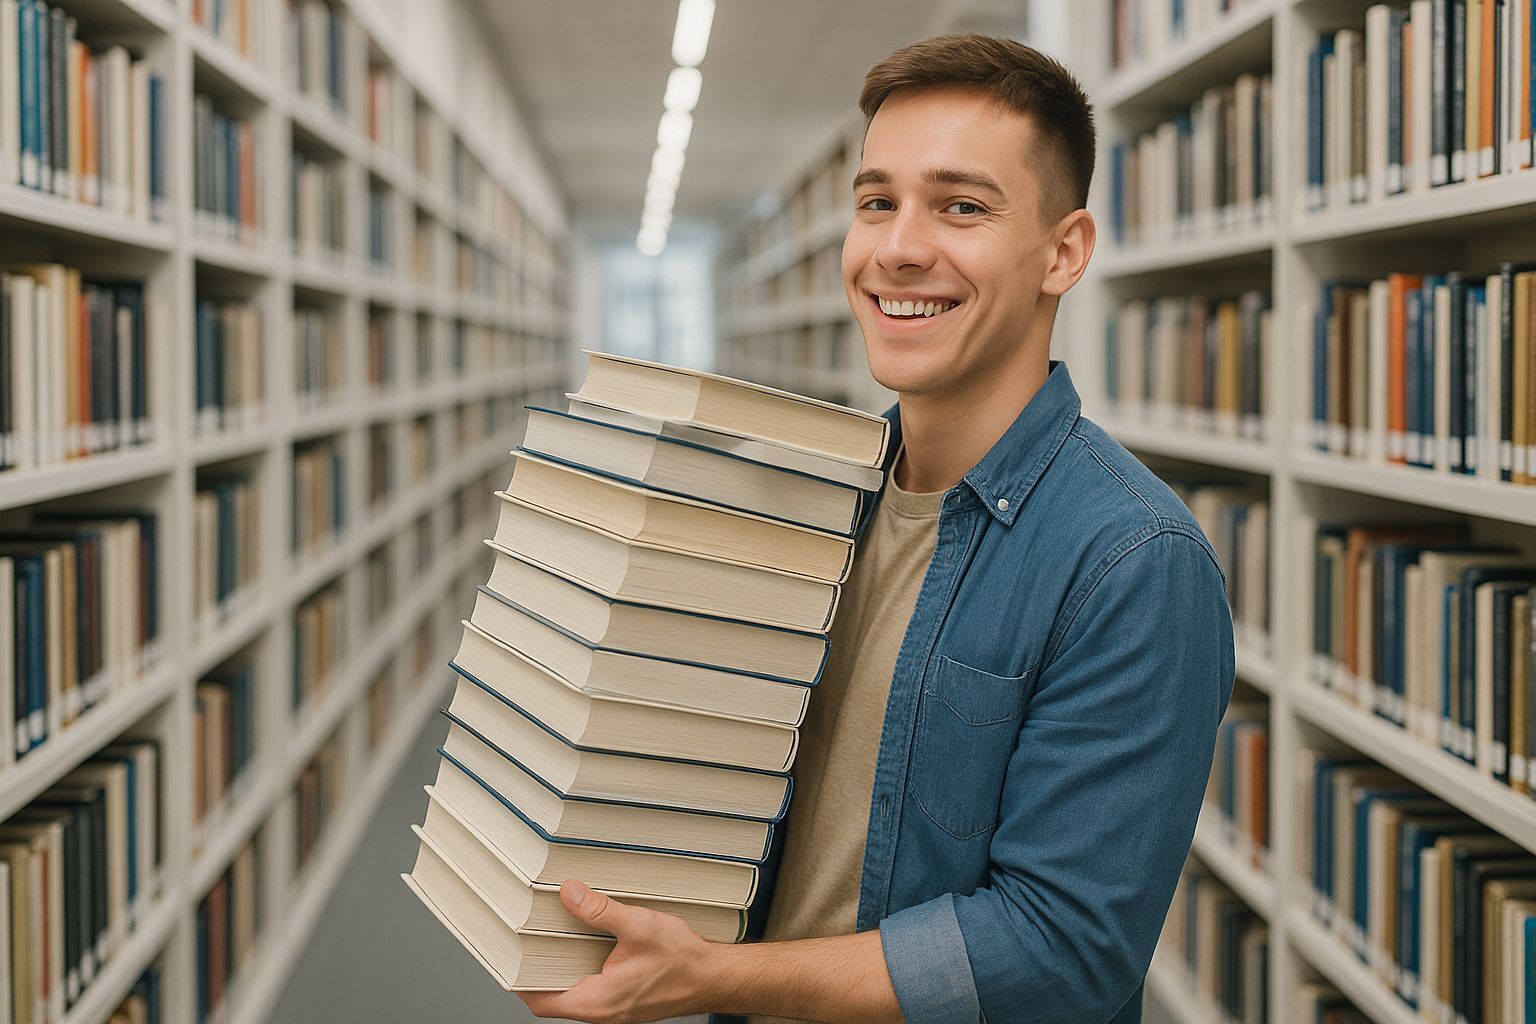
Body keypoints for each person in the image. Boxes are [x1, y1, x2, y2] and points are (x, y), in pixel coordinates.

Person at [520, 33, 1235, 1024]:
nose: (898, 247)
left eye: (961, 206)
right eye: (876, 201)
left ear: (1063, 252)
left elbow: (1061, 950)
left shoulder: (1133, 562)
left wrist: (715, 977)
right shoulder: (812, 502)